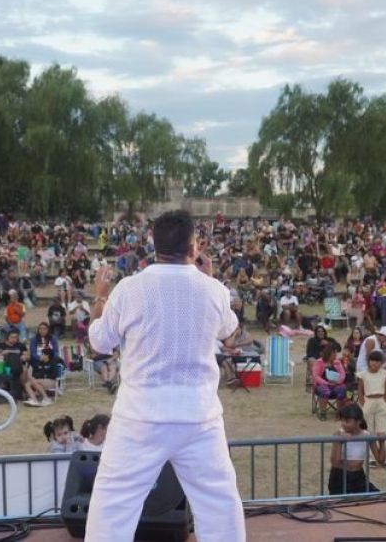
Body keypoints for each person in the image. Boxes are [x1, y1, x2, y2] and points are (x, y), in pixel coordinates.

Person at [85, 210, 245, 542]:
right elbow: (230, 332)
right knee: (219, 507)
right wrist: (210, 279)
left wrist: (100, 295)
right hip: (199, 417)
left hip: (139, 418)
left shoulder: (129, 289)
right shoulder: (213, 290)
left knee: (112, 507)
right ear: (194, 246)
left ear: (153, 245)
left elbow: (99, 342)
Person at [327, 403, 383, 495]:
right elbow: (335, 463)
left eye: (347, 421)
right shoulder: (338, 434)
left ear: (359, 421)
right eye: (342, 420)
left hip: (358, 477)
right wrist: (340, 442)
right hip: (339, 476)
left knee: (377, 496)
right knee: (338, 502)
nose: (344, 424)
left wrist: (382, 442)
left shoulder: (367, 435)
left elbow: (380, 461)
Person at [357, 350, 386, 462]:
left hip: (380, 400)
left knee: (382, 433)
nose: (375, 364)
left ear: (381, 363)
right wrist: (364, 404)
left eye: (377, 361)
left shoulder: (384, 373)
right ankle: (373, 457)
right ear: (369, 361)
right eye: (372, 361)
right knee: (370, 432)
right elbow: (360, 391)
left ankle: (383, 458)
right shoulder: (363, 374)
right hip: (368, 401)